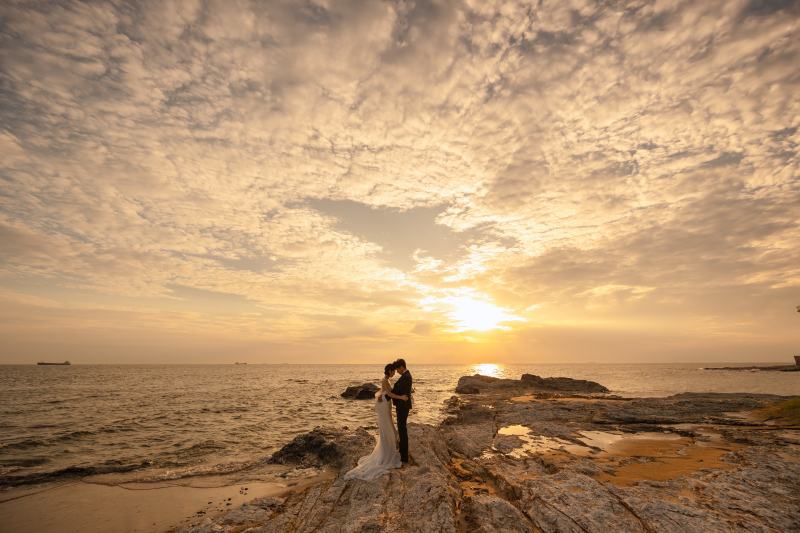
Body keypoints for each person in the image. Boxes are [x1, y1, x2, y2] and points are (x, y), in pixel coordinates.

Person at [343, 363, 409, 481]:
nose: (394, 373)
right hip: (384, 408)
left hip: (386, 406)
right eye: (393, 371)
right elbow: (389, 394)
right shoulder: (385, 380)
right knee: (390, 431)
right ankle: (387, 453)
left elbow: (385, 393)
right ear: (389, 371)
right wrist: (402, 397)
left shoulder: (386, 380)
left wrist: (384, 397)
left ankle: (389, 450)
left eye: (395, 371)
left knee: (390, 430)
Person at [390, 358, 412, 463]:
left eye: (397, 369)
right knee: (401, 428)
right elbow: (397, 388)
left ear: (401, 367)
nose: (397, 371)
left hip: (403, 406)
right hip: (402, 405)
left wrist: (386, 396)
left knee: (402, 429)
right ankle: (403, 452)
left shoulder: (406, 377)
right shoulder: (405, 376)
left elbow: (397, 389)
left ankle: (404, 455)